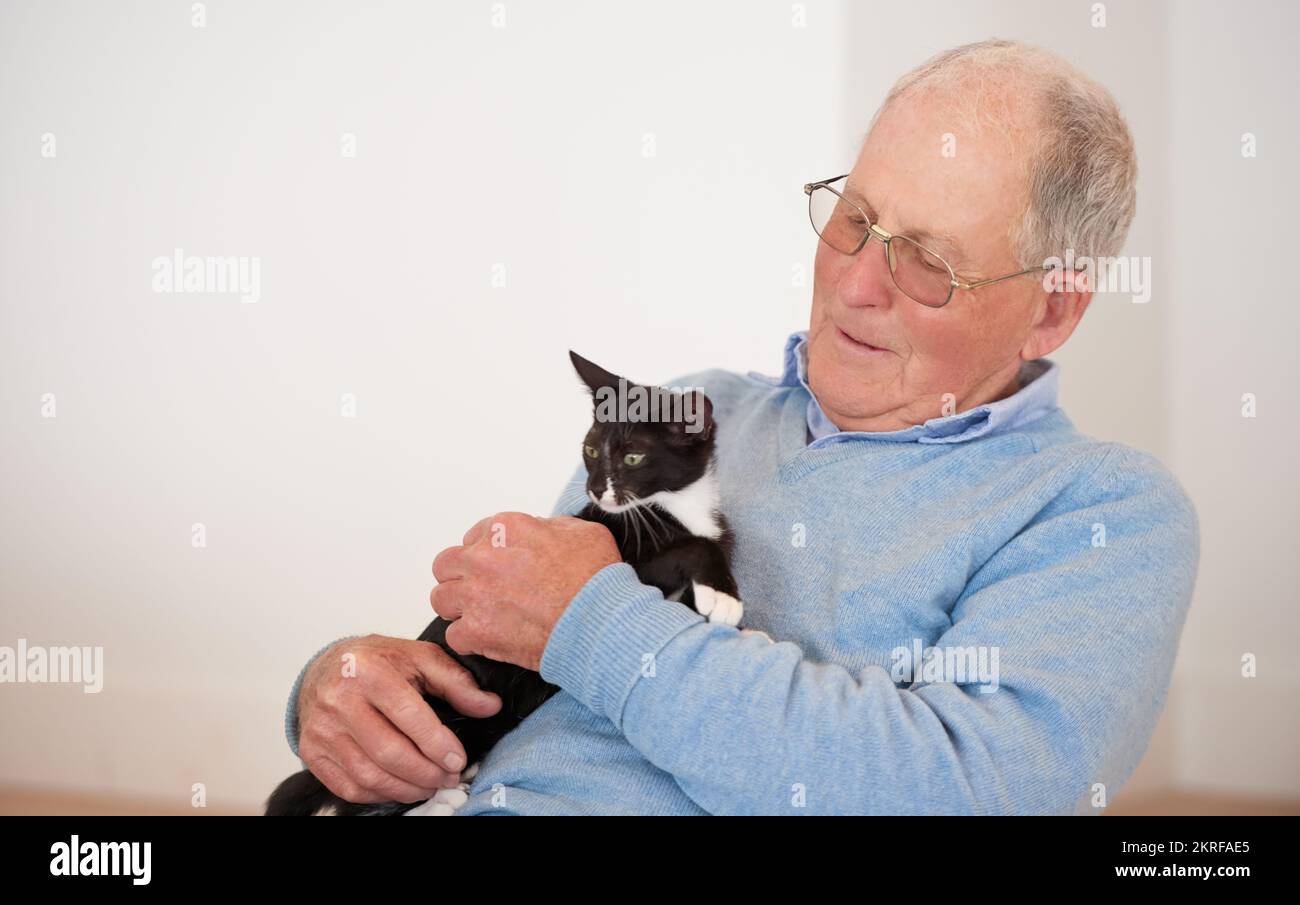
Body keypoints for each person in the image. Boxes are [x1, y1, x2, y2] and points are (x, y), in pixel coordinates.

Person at [281, 39, 1199, 815]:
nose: (854, 284)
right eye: (856, 218)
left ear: (1051, 310)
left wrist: (595, 623)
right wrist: (346, 690)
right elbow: (498, 664)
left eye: (927, 263)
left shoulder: (1100, 510)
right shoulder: (691, 413)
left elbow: (966, 787)